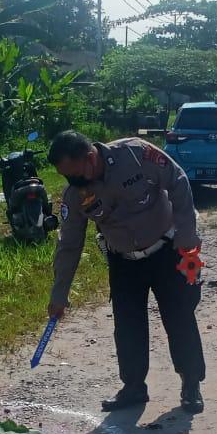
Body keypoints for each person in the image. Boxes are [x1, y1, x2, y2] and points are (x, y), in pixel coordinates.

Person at [47, 130, 206, 414]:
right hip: (123, 260)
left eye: (74, 174)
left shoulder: (136, 153)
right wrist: (59, 293)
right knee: (128, 326)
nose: (72, 182)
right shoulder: (74, 195)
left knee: (179, 317)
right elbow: (69, 244)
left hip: (167, 251)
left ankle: (191, 383)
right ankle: (133, 388)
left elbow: (178, 182)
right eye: (65, 177)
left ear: (90, 157)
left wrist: (186, 238)